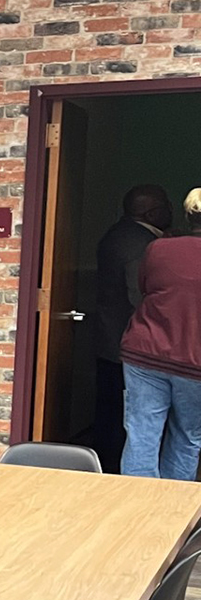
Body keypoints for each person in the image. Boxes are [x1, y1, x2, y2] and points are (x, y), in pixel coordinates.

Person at [120, 188, 201, 480]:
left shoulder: (158, 248)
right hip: (195, 362)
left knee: (142, 435)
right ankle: (173, 516)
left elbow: (146, 288)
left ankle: (138, 513)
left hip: (145, 353)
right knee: (188, 437)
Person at [95, 184, 172, 472]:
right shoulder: (139, 243)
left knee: (111, 417)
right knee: (130, 424)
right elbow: (140, 296)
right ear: (153, 212)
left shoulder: (116, 234)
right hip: (130, 347)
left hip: (110, 340)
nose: (171, 209)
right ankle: (120, 480)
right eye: (166, 204)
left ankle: (106, 473)